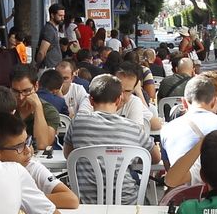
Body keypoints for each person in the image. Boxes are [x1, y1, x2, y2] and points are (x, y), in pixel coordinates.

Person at [63, 73, 154, 204]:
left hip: (86, 203)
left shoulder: (77, 122)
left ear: (90, 100)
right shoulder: (134, 128)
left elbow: (68, 155)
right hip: (127, 202)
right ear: (119, 100)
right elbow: (154, 158)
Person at [159, 73, 217, 167]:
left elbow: (168, 169)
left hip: (180, 179)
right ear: (215, 101)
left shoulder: (167, 129)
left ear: (184, 103)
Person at [38, 3, 65, 67]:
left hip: (53, 67)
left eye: (63, 16)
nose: (62, 18)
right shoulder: (49, 30)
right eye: (60, 15)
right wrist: (37, 66)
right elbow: (42, 52)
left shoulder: (52, 29)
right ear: (52, 15)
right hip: (49, 68)